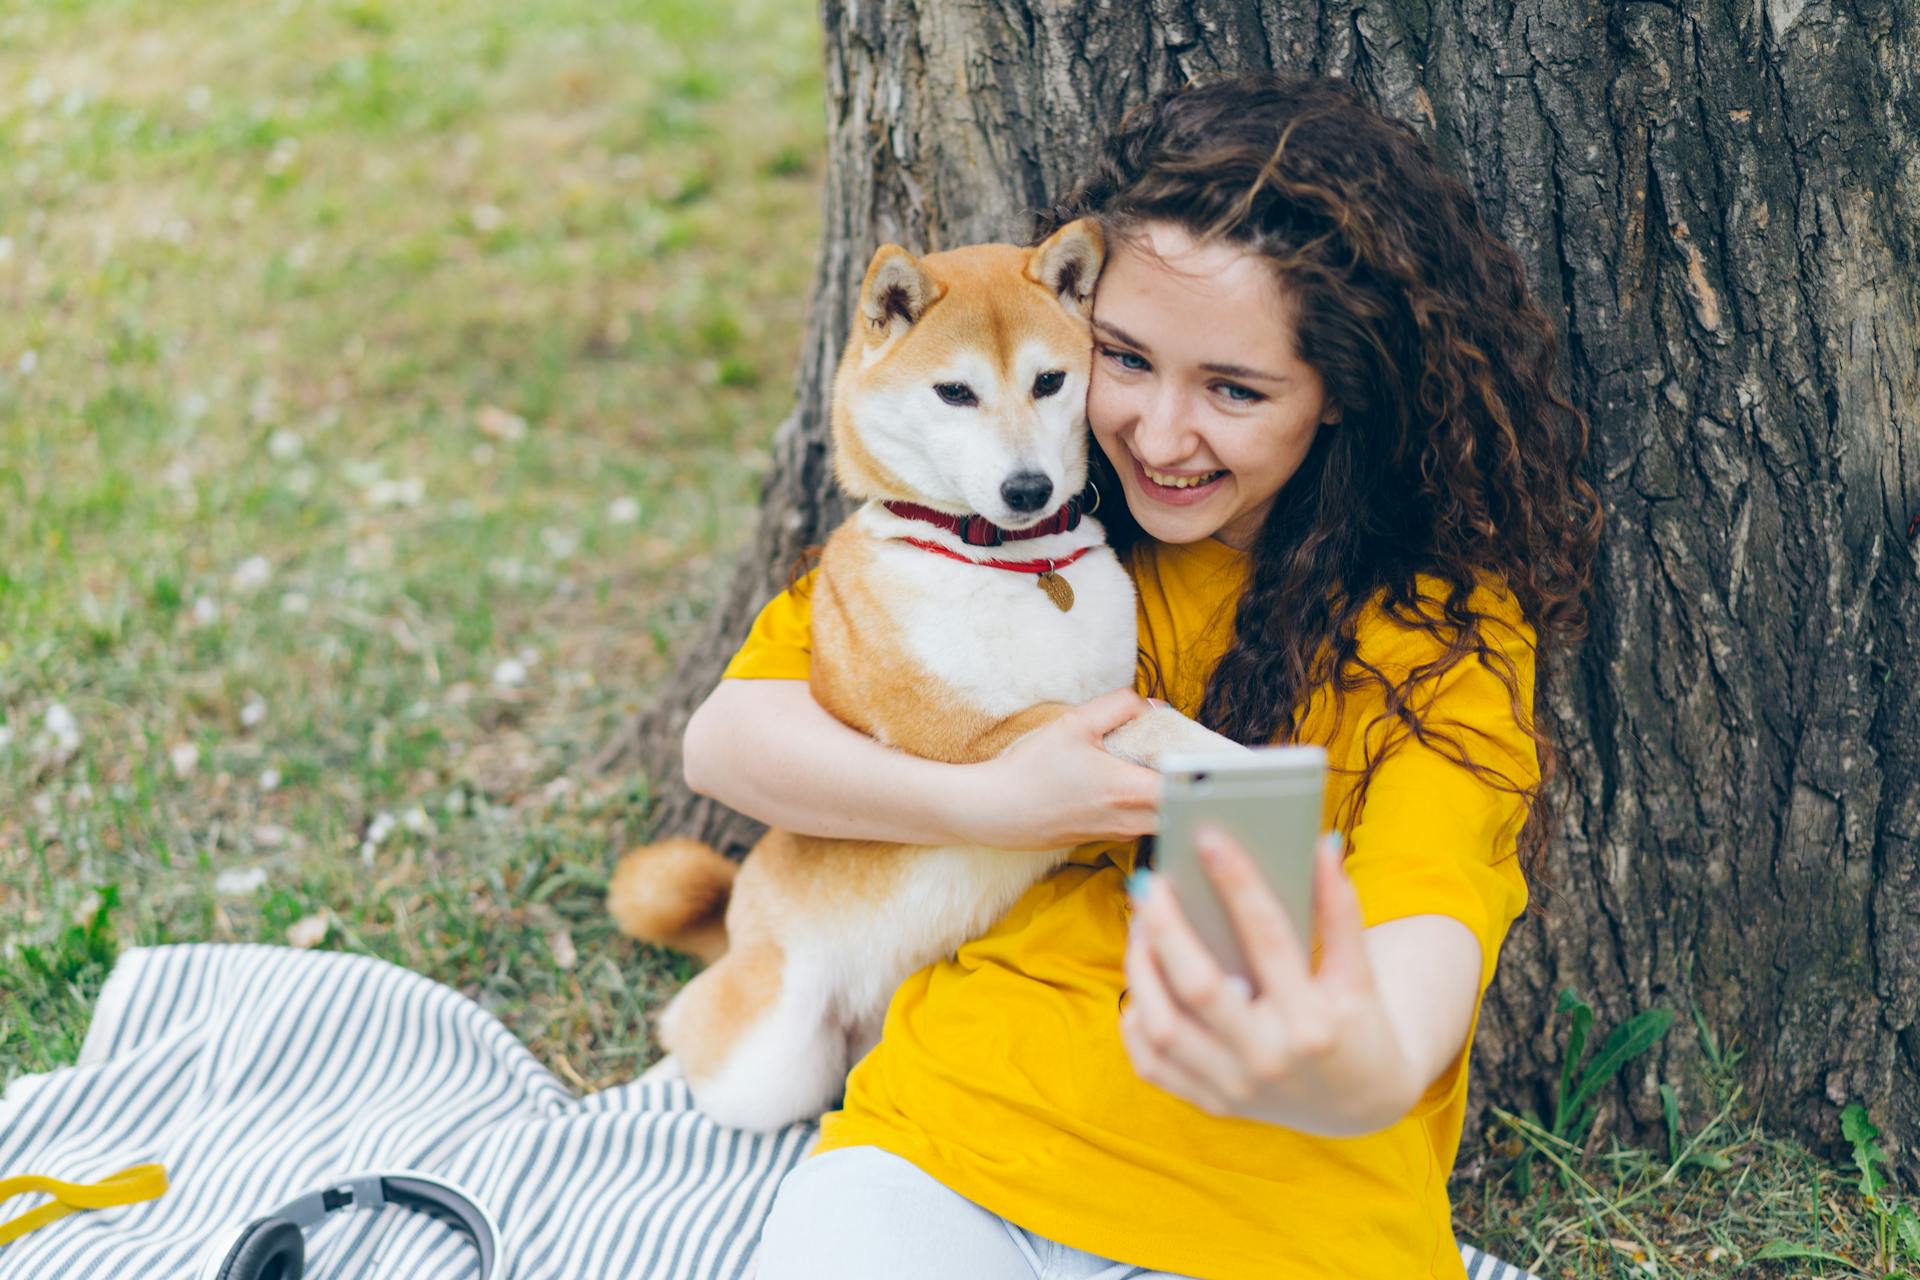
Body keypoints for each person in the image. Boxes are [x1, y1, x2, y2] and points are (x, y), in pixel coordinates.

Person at [680, 71, 1601, 1279]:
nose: (1160, 436)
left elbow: (1425, 943)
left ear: (1339, 395)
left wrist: (1342, 1054)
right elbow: (731, 738)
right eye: (1124, 360)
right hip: (950, 1146)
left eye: (1234, 389)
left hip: (1278, 1215)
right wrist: (997, 801)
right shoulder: (1002, 525)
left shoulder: (1434, 639)